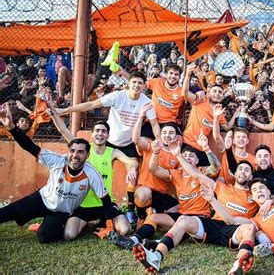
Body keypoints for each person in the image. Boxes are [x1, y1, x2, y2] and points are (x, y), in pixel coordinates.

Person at [0, 103, 115, 244]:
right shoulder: (57, 161)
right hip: (42, 199)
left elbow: (105, 199)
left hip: (61, 212)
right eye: (72, 151)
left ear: (87, 155)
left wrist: (109, 226)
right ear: (68, 152)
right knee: (10, 211)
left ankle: (48, 225)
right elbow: (29, 146)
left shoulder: (91, 173)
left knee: (45, 237)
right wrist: (11, 127)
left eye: (80, 152)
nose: (75, 155)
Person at [57, 71, 160, 223]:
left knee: (133, 173)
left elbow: (154, 123)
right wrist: (64, 111)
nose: (137, 85)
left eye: (140, 83)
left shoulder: (146, 103)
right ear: (128, 84)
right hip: (108, 140)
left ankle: (131, 209)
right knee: (93, 171)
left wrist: (159, 140)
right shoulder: (118, 96)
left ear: (144, 86)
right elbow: (91, 104)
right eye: (134, 82)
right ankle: (81, 205)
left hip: (128, 143)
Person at [132, 159, 260, 274]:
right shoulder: (221, 187)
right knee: (183, 220)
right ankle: (156, 257)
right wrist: (177, 154)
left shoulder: (255, 195)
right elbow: (196, 174)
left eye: (247, 170)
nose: (243, 172)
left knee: (249, 229)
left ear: (251, 176)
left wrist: (268, 202)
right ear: (235, 173)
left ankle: (238, 266)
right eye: (240, 169)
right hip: (213, 225)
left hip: (234, 231)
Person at [109, 137, 219, 250]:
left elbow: (215, 168)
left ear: (197, 161)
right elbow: (154, 169)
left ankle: (154, 243)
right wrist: (156, 152)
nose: (187, 158)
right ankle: (133, 240)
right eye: (185, 156)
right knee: (153, 218)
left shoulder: (202, 172)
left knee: (180, 229)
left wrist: (206, 148)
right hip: (182, 215)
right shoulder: (177, 174)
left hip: (199, 218)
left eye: (191, 156)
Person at [46, 106, 137, 240]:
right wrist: (54, 114)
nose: (100, 134)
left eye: (104, 131)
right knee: (69, 235)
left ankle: (102, 221)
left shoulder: (112, 152)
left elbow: (132, 162)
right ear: (92, 134)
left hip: (106, 204)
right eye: (97, 131)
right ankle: (90, 221)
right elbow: (63, 130)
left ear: (108, 135)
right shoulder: (83, 149)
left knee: (125, 230)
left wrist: (133, 168)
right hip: (83, 204)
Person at [131, 103, 180, 227]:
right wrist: (141, 117)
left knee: (177, 210)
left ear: (176, 137)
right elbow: (136, 139)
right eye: (164, 133)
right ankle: (141, 216)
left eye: (171, 133)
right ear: (160, 135)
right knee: (144, 195)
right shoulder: (151, 144)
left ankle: (153, 216)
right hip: (145, 188)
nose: (167, 135)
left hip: (161, 193)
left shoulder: (177, 154)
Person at [181, 63, 234, 166]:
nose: (217, 94)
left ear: (223, 97)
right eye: (214, 91)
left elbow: (227, 127)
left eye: (220, 92)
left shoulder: (220, 112)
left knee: (214, 170)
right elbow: (185, 94)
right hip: (187, 143)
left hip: (202, 147)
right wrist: (188, 74)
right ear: (208, 93)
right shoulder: (201, 100)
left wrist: (236, 114)